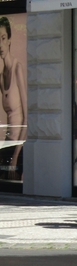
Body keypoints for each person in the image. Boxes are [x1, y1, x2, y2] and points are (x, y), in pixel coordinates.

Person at [0, 16, 27, 180]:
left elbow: (25, 115)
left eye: (3, 38)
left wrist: (16, 155)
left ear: (9, 40)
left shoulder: (17, 68)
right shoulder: (2, 75)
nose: (0, 44)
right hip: (7, 142)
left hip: (18, 144)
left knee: (13, 180)